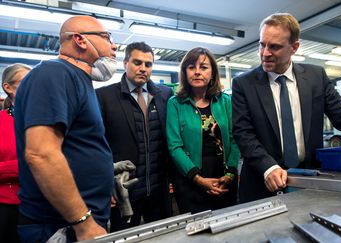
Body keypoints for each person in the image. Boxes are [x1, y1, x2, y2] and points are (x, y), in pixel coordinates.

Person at [231, 13, 341, 203]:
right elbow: (243, 133)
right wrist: (268, 167)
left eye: (274, 46)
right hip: (261, 185)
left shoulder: (316, 77)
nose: (265, 53)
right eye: (262, 44)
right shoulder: (244, 84)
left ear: (294, 47)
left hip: (308, 181)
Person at [13, 15, 117, 242]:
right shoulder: (55, 73)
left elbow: (78, 145)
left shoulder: (80, 81)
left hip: (79, 220)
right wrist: (84, 223)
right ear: (80, 40)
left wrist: (105, 177)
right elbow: (41, 154)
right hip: (58, 226)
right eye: (107, 37)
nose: (114, 45)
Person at [96, 42, 173, 231]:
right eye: (137, 62)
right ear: (125, 63)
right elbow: (98, 146)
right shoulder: (104, 97)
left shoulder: (165, 95)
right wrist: (105, 185)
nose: (143, 69)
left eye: (148, 64)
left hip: (158, 190)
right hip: (123, 192)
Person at [166, 47, 241, 214]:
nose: (197, 72)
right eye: (191, 67)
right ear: (185, 72)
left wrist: (229, 174)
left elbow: (235, 139)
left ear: (213, 72)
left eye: (204, 67)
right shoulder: (175, 103)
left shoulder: (225, 101)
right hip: (190, 182)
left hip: (224, 180)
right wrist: (198, 179)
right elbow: (174, 146)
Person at [0, 63, 31, 243]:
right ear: (8, 88)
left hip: (40, 204)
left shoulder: (45, 120)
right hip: (6, 207)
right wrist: (24, 166)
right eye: (25, 83)